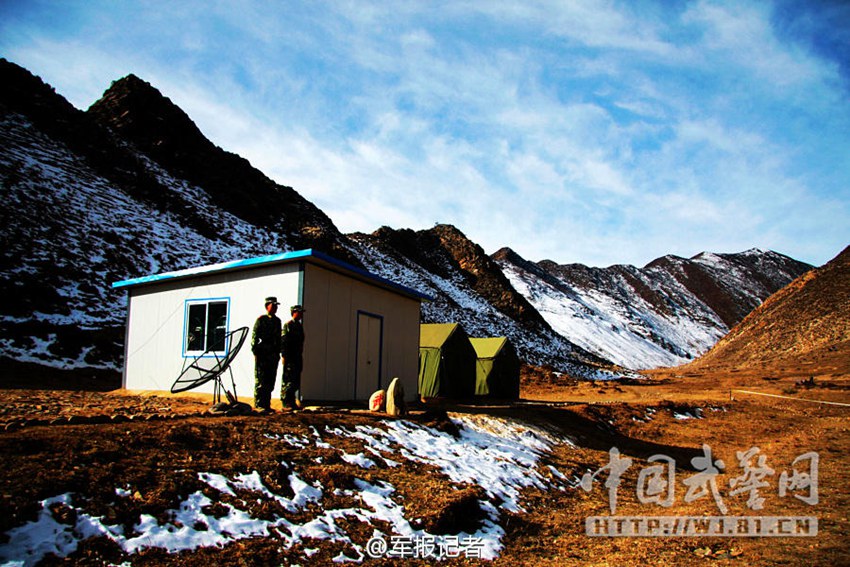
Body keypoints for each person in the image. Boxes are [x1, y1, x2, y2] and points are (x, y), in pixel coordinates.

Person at [251, 297, 282, 413]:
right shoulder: (261, 320)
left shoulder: (277, 321)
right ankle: (259, 404)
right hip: (263, 354)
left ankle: (266, 404)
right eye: (273, 305)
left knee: (270, 380)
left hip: (273, 355)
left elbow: (279, 338)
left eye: (276, 306)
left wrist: (278, 353)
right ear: (267, 306)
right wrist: (255, 352)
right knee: (261, 380)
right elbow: (255, 337)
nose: (275, 308)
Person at [280, 304, 305, 410]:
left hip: (297, 356)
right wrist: (284, 356)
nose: (301, 315)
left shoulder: (299, 326)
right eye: (299, 312)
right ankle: (286, 402)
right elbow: (284, 341)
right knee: (288, 379)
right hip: (290, 357)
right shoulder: (288, 325)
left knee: (295, 380)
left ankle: (292, 401)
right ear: (294, 312)